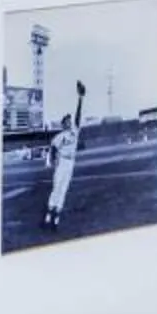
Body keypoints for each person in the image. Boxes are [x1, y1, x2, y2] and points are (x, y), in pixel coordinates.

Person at [44, 81, 88, 229]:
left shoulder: (75, 131)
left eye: (70, 120)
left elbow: (78, 115)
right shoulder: (59, 136)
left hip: (70, 163)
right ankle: (48, 216)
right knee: (56, 188)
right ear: (63, 124)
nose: (70, 122)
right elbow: (52, 147)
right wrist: (51, 161)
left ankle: (56, 219)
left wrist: (80, 98)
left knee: (63, 190)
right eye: (67, 121)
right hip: (62, 163)